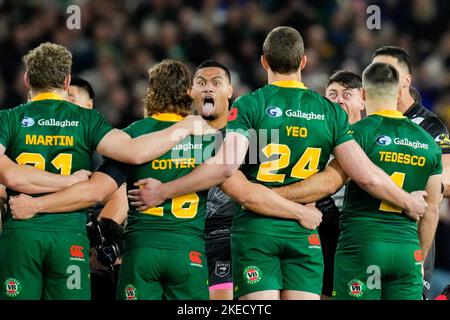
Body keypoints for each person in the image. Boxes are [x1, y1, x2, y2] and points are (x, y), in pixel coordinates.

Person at [127, 26, 427, 300]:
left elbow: (226, 167)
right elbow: (365, 175)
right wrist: (407, 201)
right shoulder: (329, 112)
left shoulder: (250, 104)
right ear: (304, 62)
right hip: (303, 232)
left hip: (258, 231)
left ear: (264, 62)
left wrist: (165, 190)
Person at [0, 42, 211, 300]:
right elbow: (134, 153)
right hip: (70, 239)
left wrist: (37, 203)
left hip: (21, 235)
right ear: (67, 82)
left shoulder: (7, 119)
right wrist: (185, 127)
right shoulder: (88, 120)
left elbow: (11, 176)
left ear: (26, 79)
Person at [372, 45, 450, 299]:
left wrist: (420, 192)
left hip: (413, 239)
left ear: (406, 80)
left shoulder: (429, 126)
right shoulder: (369, 123)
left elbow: (448, 176)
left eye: (388, 71)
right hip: (368, 238)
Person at [68, 76, 126, 300]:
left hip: (98, 232)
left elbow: (121, 197)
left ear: (89, 104)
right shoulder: (47, 142)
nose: (66, 105)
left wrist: (96, 235)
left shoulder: (105, 141)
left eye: (71, 98)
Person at [312, 70, 365, 299]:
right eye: (332, 94)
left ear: (362, 98)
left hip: (362, 233)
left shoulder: (373, 135)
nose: (339, 100)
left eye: (346, 94)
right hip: (323, 231)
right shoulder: (316, 139)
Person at [191, 60, 235, 300]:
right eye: (201, 83)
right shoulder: (175, 137)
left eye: (216, 83)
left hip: (228, 237)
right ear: (191, 92)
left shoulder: (248, 138)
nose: (208, 89)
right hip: (187, 236)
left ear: (229, 91)